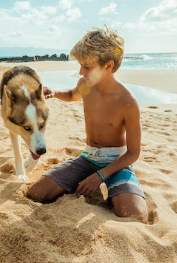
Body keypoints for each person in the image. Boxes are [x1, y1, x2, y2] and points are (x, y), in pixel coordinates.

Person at [26, 26, 148, 223]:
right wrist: (55, 93)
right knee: (37, 193)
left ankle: (118, 189)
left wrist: (100, 176)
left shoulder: (127, 102)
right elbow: (73, 95)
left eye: (87, 66)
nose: (81, 72)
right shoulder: (84, 84)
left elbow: (133, 153)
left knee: (135, 215)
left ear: (108, 65)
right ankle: (80, 181)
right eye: (80, 65)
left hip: (116, 163)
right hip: (87, 157)